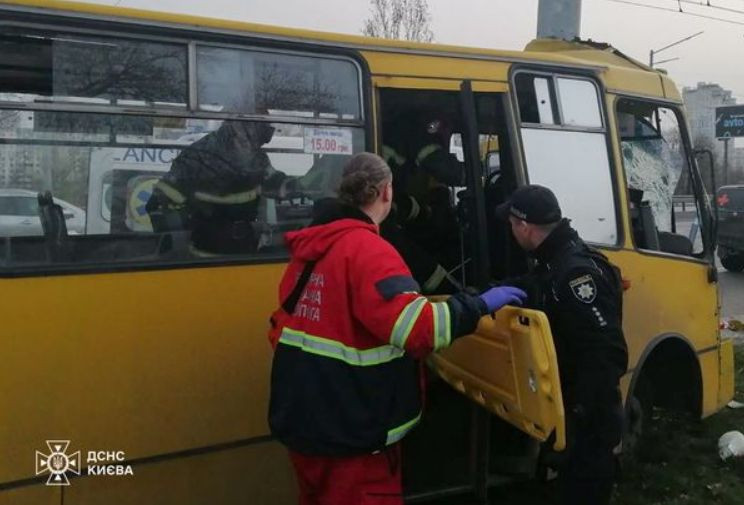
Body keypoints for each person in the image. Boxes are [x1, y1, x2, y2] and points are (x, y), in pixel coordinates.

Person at [268, 152, 527, 505]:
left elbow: (283, 324)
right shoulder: (371, 251)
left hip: (305, 421)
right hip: (352, 433)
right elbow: (418, 331)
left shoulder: (311, 247)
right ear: (387, 192)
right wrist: (480, 304)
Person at [496, 184, 628, 505]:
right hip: (566, 413)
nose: (512, 232)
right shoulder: (553, 257)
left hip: (587, 423)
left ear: (524, 227)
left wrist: (576, 415)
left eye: (512, 225)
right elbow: (538, 285)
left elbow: (607, 353)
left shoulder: (575, 274)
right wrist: (495, 292)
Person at [145, 120, 293, 255]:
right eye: (261, 128)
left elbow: (274, 181)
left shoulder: (257, 157)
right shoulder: (200, 155)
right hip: (205, 252)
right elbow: (159, 200)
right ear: (239, 127)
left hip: (246, 248)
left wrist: (298, 186)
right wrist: (176, 242)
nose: (263, 139)